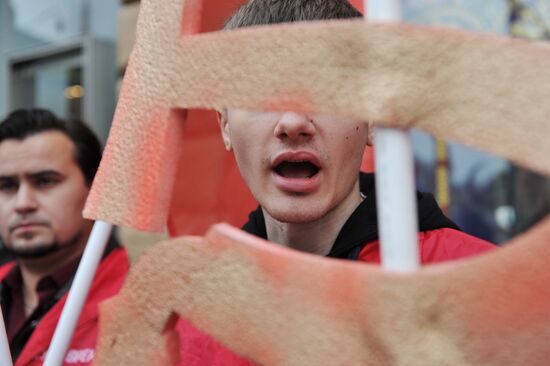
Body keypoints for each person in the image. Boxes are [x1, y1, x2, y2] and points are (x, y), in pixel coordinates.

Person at [174, 0, 496, 364]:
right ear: (225, 126)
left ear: (373, 121)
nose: (293, 122)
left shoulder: (481, 293)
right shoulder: (192, 319)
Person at [0, 109, 129, 365]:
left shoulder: (142, 301)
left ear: (94, 190)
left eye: (45, 181)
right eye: (7, 186)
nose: (23, 203)